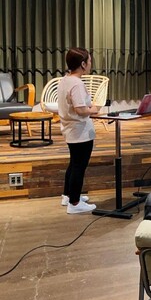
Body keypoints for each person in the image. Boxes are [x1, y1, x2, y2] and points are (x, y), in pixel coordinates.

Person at [58, 47, 100, 214]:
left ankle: (68, 195)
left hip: (70, 129)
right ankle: (74, 203)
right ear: (83, 64)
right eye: (89, 61)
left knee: (74, 163)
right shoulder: (76, 83)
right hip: (79, 131)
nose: (90, 64)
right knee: (79, 166)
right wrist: (94, 109)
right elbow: (80, 109)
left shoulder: (65, 80)